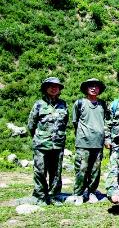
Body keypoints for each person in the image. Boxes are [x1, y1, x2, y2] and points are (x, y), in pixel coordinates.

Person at [27, 77, 68, 205]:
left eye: (56, 86)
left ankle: (54, 196)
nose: (54, 88)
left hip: (58, 144)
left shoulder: (63, 104)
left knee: (56, 171)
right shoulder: (39, 104)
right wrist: (40, 137)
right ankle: (40, 196)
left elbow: (64, 123)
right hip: (41, 144)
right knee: (40, 170)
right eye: (51, 86)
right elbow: (31, 125)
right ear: (45, 88)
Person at [72, 78, 108, 203]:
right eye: (91, 86)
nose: (94, 88)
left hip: (98, 143)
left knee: (95, 170)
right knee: (82, 169)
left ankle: (92, 192)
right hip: (83, 142)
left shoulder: (102, 104)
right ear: (86, 89)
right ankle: (79, 193)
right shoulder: (80, 103)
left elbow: (106, 121)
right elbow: (75, 122)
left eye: (96, 86)